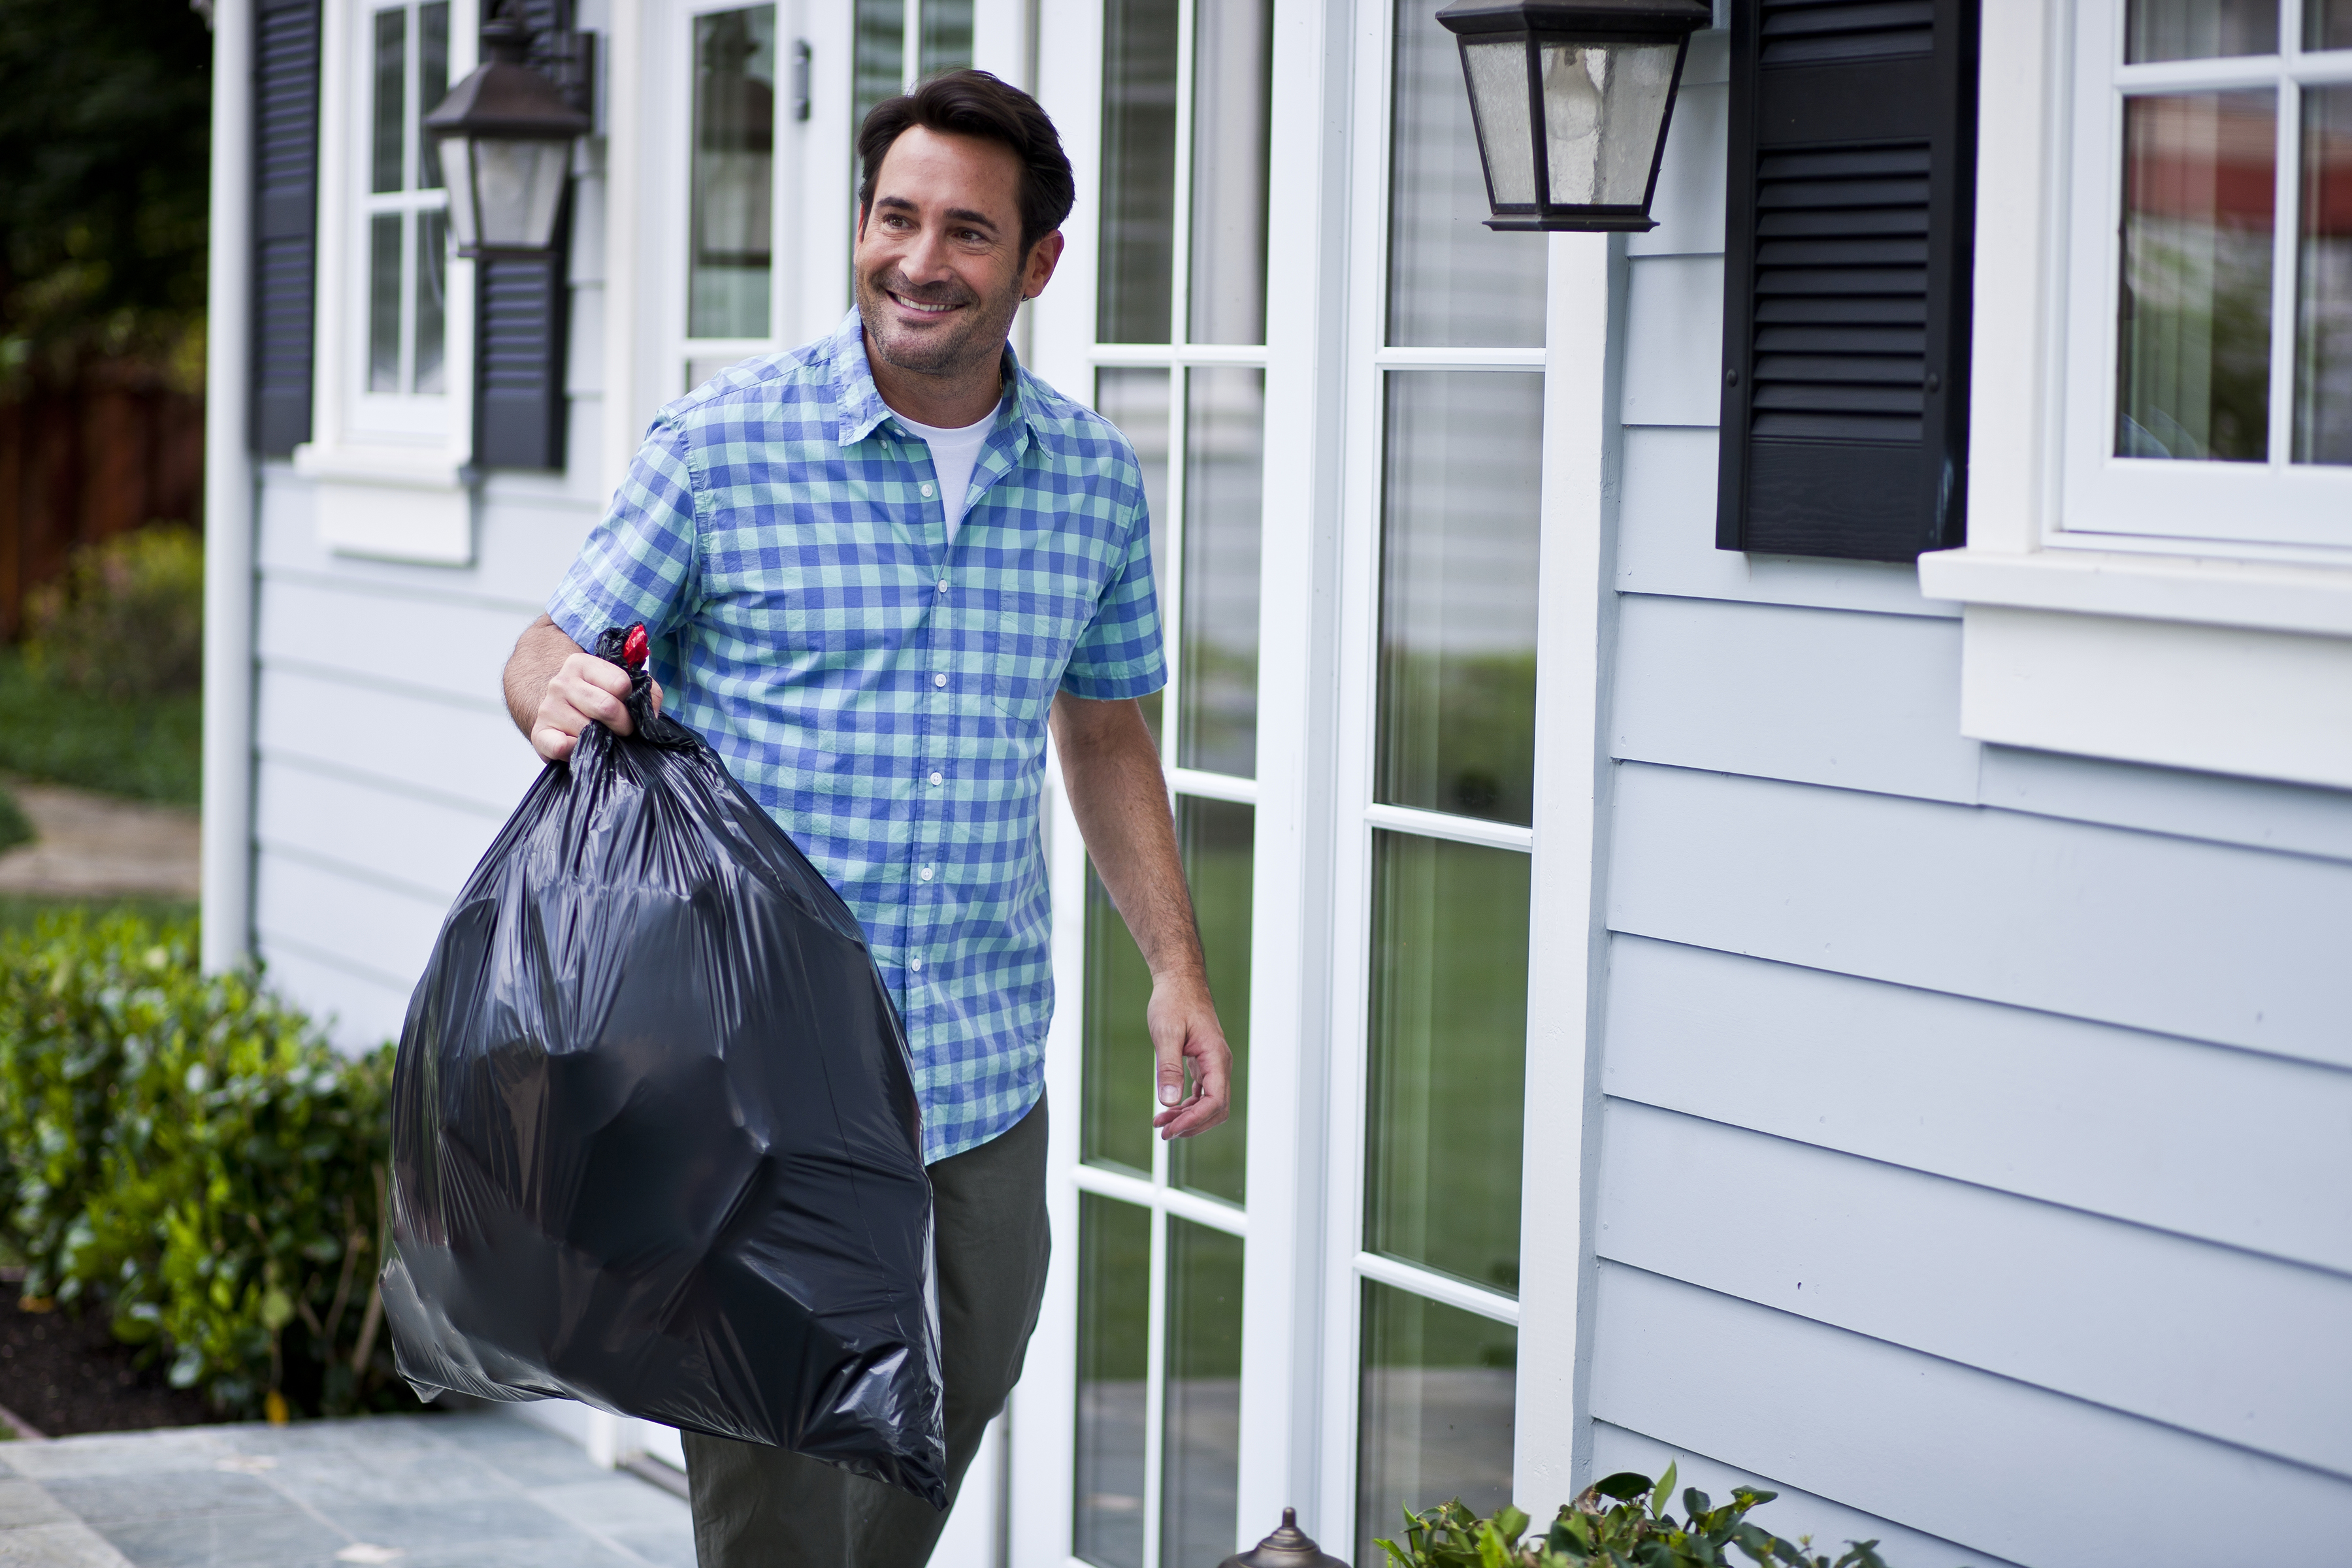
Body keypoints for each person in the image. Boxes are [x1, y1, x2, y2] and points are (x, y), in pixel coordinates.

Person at [498, 68, 1232, 1568]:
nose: (918, 258)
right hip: (750, 1083)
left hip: (975, 1076)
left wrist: (1176, 967)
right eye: (896, 216)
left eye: (967, 232)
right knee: (773, 1511)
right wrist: (554, 692)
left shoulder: (1090, 482)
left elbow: (1102, 734)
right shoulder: (722, 449)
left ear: (1037, 265)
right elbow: (544, 647)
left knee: (937, 1433)